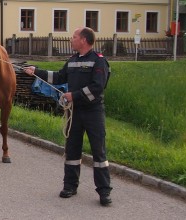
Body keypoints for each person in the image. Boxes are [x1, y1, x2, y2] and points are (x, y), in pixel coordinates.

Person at [24, 27, 113, 206]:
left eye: (74, 37)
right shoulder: (72, 61)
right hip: (74, 113)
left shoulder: (99, 61)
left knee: (98, 151)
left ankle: (104, 191)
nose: (71, 40)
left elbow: (98, 87)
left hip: (93, 112)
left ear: (84, 40)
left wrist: (75, 95)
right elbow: (58, 77)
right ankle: (70, 186)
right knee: (72, 150)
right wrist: (36, 71)